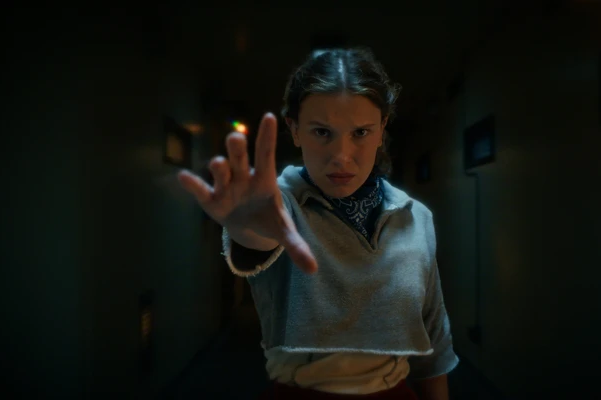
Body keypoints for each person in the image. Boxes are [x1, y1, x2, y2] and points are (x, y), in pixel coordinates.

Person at [178, 47, 458, 400]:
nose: (341, 156)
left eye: (360, 132)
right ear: (295, 130)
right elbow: (261, 236)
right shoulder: (280, 204)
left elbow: (433, 339)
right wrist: (247, 231)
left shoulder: (415, 217)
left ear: (382, 128)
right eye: (322, 132)